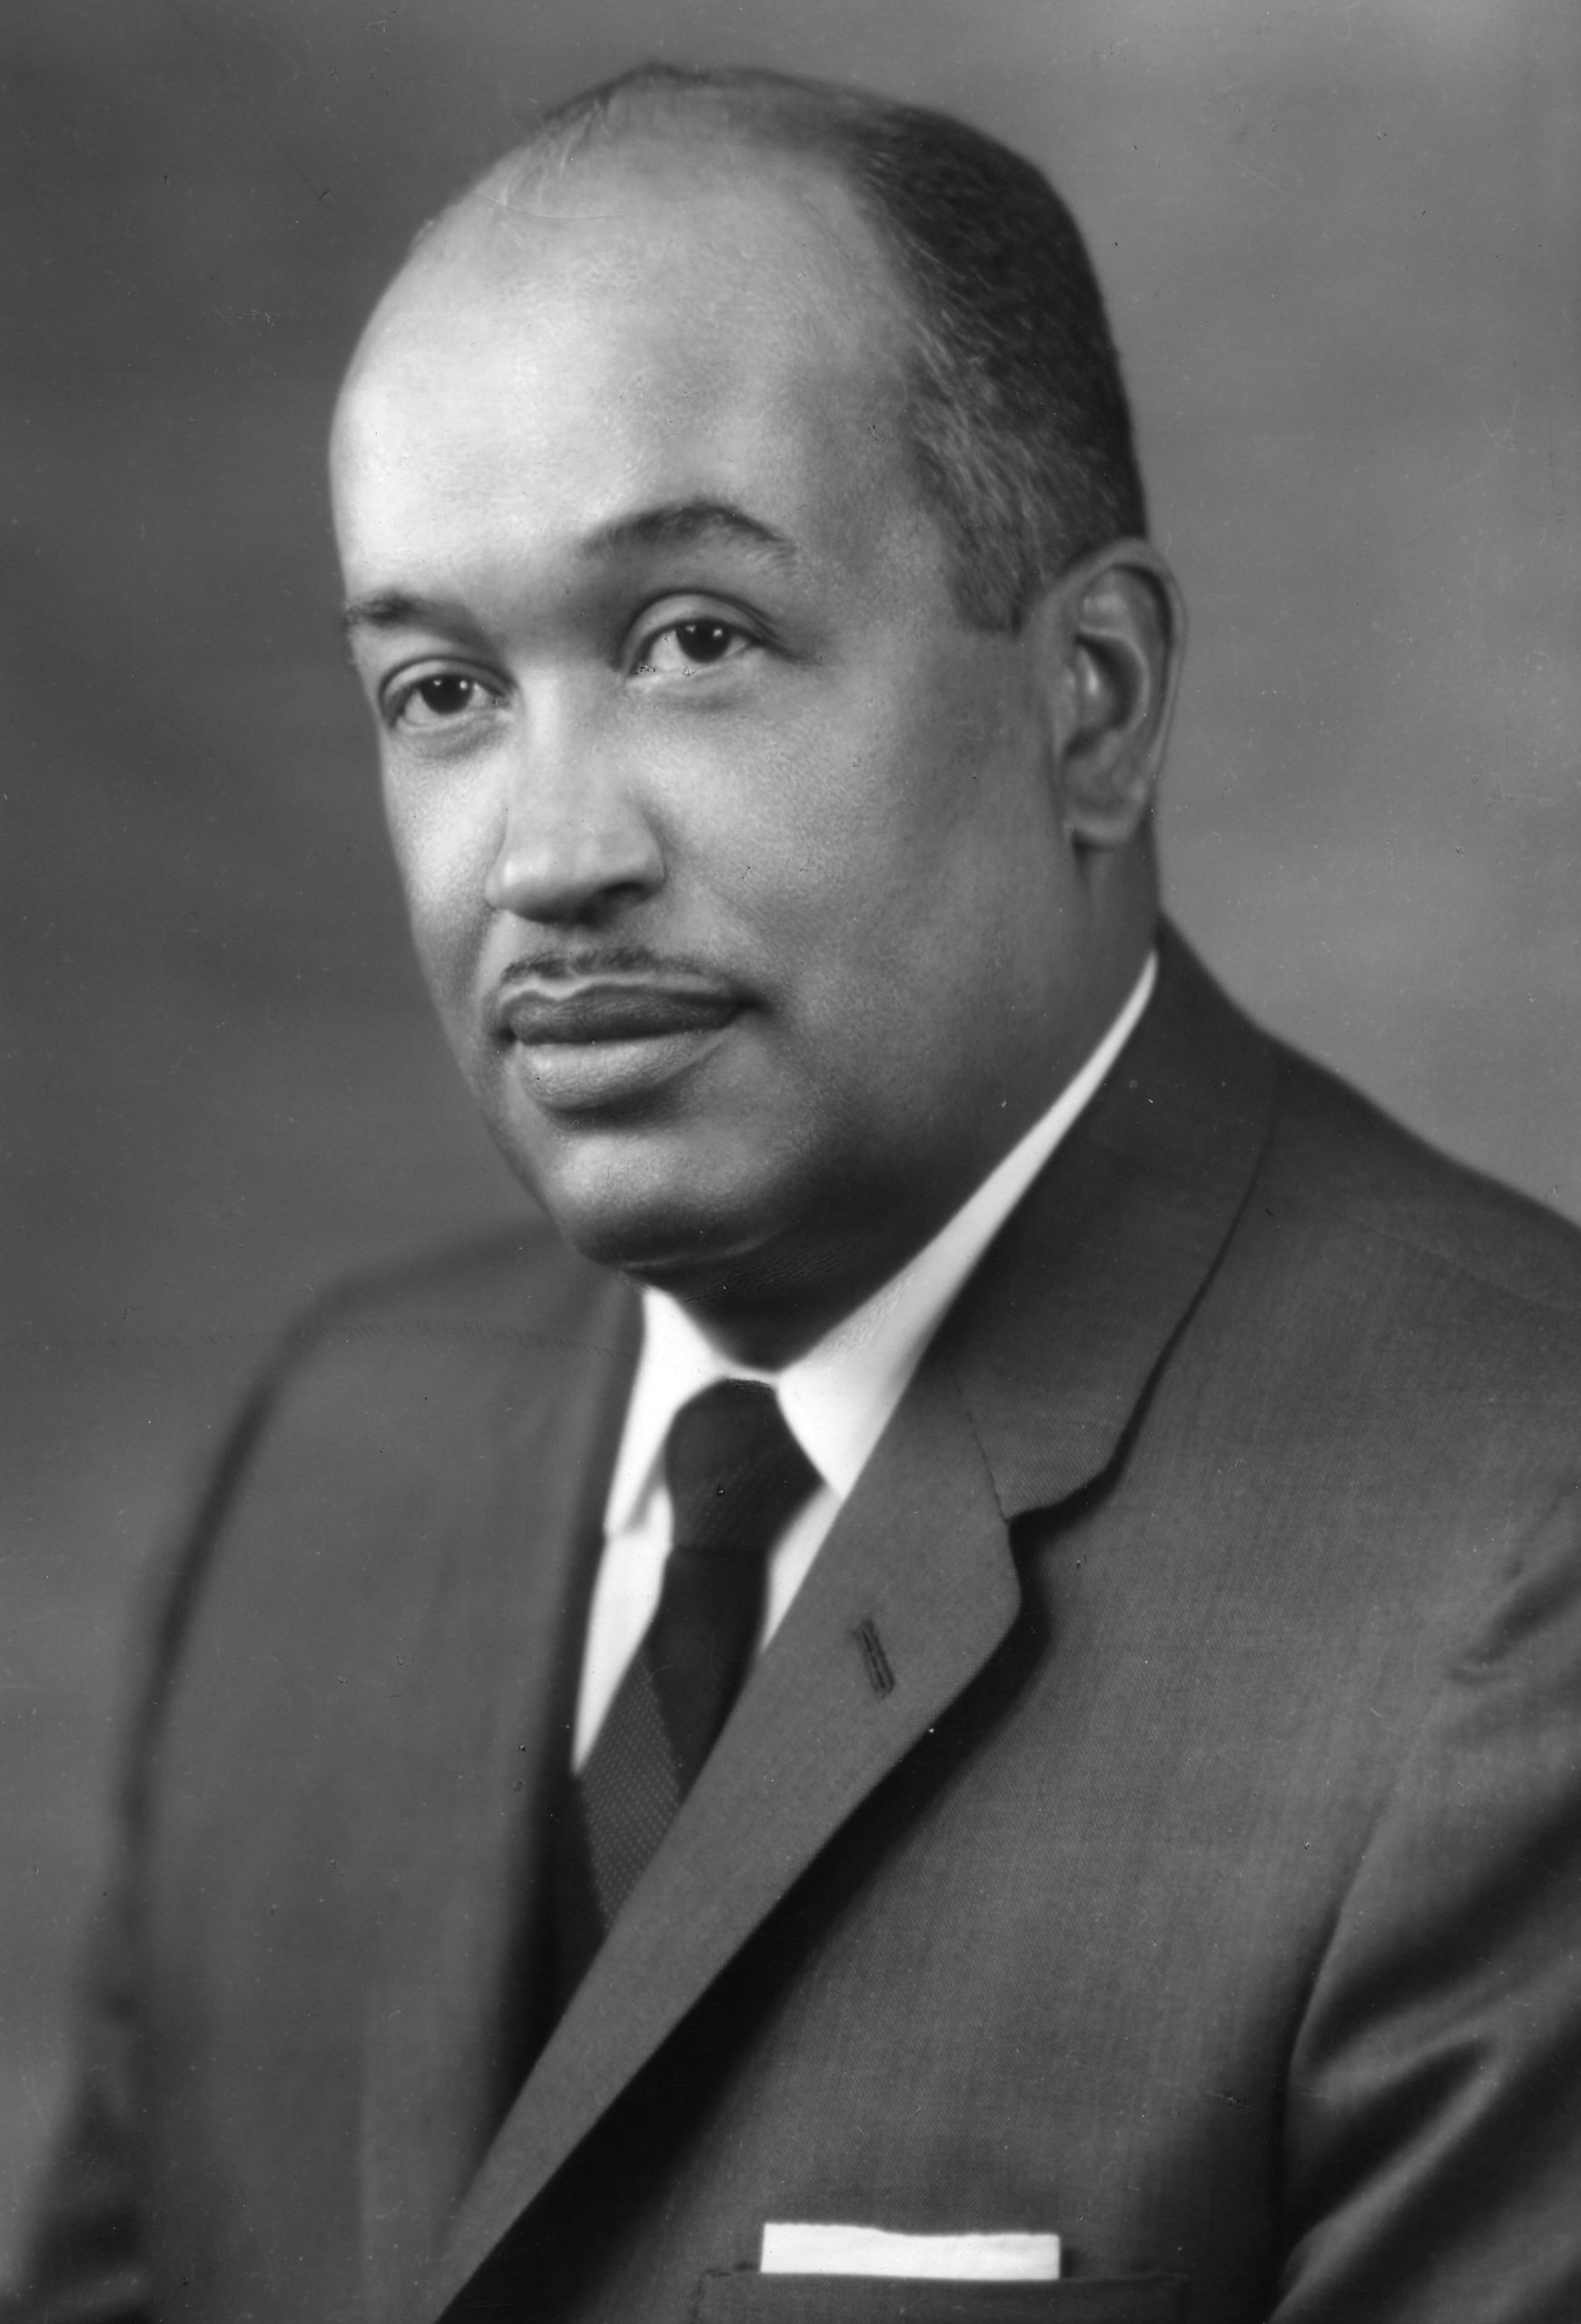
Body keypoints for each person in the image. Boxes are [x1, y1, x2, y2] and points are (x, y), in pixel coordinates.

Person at [12, 63, 1581, 2324]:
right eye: (441, 687)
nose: (549, 855)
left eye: (692, 640)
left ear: (1098, 702)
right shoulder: (322, 1478)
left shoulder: (1511, 1583)